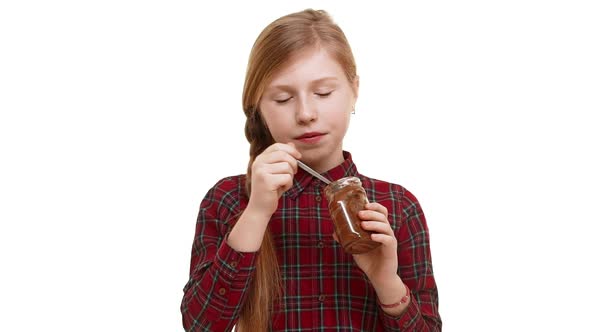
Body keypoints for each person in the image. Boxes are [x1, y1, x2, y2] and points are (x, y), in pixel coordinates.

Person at [181, 8, 441, 331]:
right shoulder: (228, 201)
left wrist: (385, 279)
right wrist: (257, 213)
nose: (305, 113)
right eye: (283, 98)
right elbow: (200, 325)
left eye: (323, 93)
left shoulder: (398, 207)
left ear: (354, 90)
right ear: (257, 108)